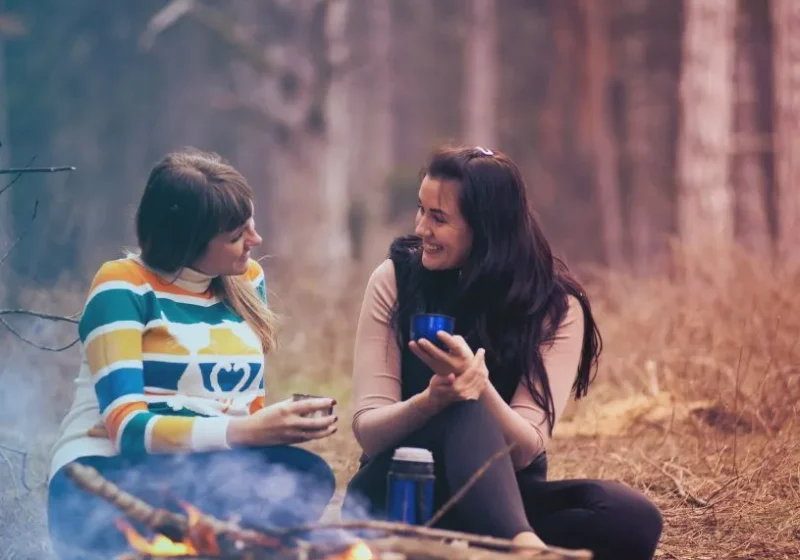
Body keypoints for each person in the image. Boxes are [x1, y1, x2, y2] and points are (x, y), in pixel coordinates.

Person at [342, 146, 663, 560]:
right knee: (459, 403)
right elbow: (368, 429)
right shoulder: (395, 280)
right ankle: (522, 549)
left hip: (501, 497)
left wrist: (482, 388)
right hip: (398, 492)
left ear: (487, 229)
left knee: (632, 517)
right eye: (421, 210)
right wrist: (431, 401)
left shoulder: (555, 307)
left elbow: (527, 447)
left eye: (439, 218)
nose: (421, 228)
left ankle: (493, 544)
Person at [47, 149, 338, 560]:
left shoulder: (246, 280)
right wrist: (247, 432)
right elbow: (129, 432)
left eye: (250, 224)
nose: (254, 241)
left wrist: (272, 427)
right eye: (237, 236)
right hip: (106, 477)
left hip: (200, 473)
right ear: (186, 243)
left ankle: (214, 545)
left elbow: (242, 407)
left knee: (305, 475)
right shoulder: (123, 286)